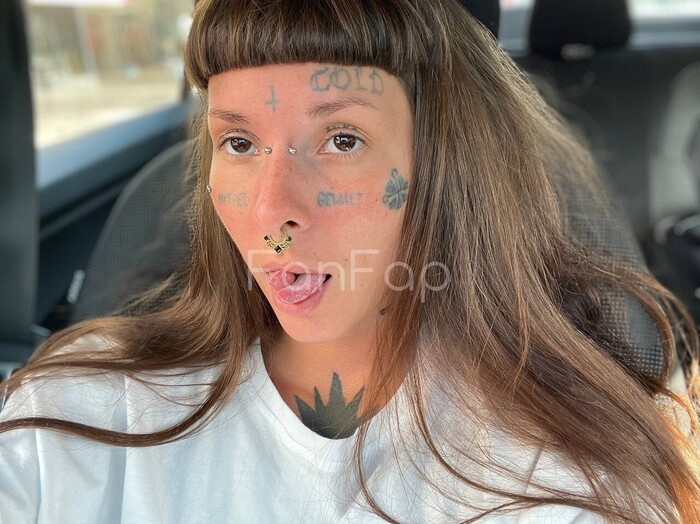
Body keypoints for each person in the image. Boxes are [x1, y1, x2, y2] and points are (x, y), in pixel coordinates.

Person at [1, 0, 699, 522]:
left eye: (341, 139)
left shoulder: (565, 480)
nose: (271, 211)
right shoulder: (72, 417)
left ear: (441, 169)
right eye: (239, 144)